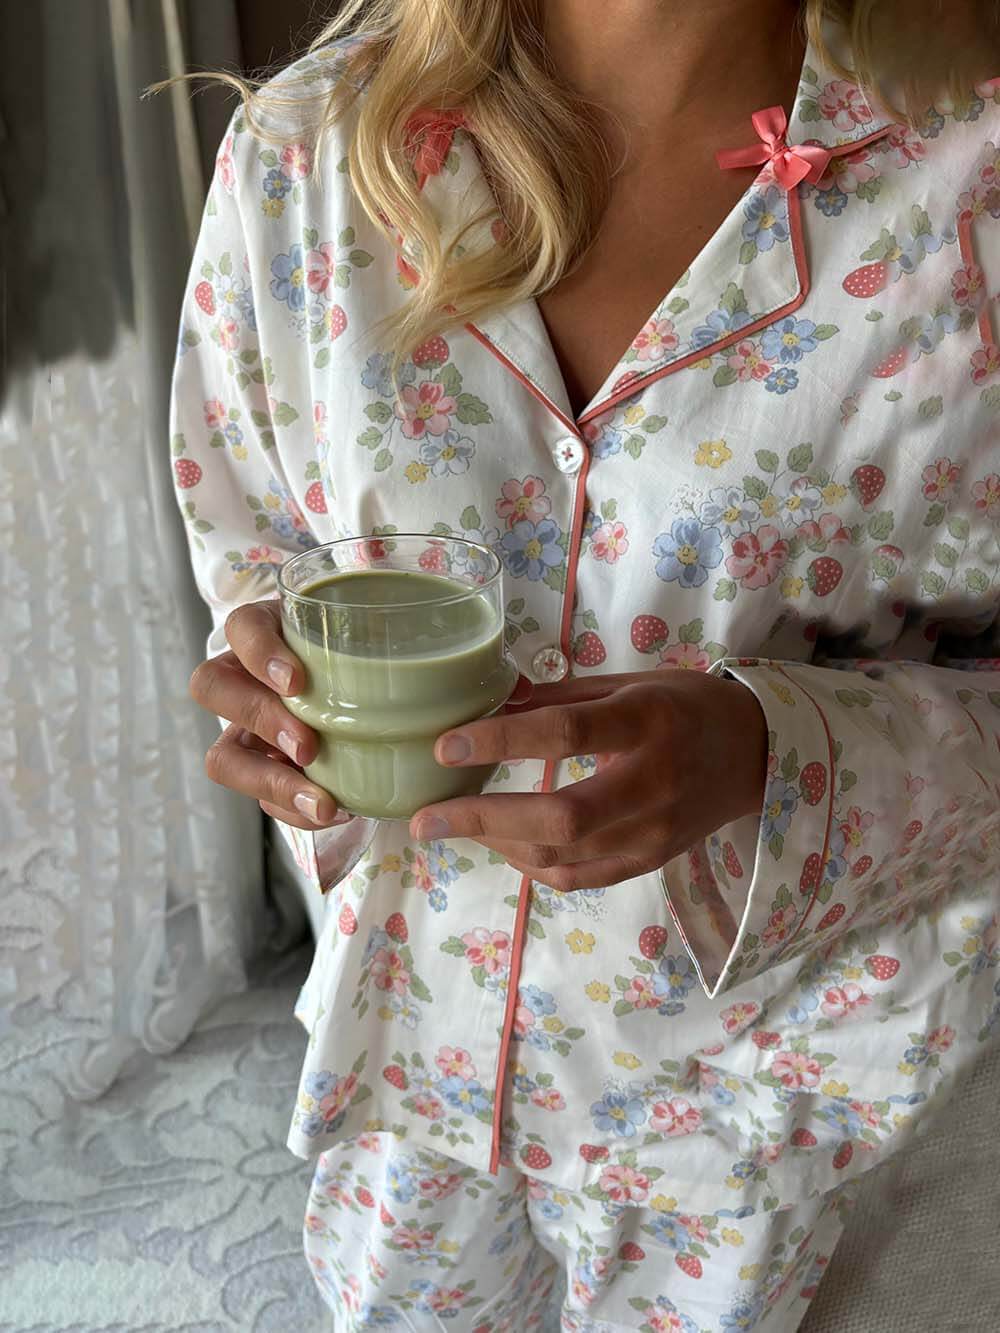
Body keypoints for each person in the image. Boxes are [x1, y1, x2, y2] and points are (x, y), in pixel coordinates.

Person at [169, 1, 1000, 1326]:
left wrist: (774, 754)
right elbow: (258, 540)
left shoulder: (967, 189)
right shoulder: (305, 158)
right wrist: (262, 670)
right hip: (414, 1060)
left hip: (775, 1108)